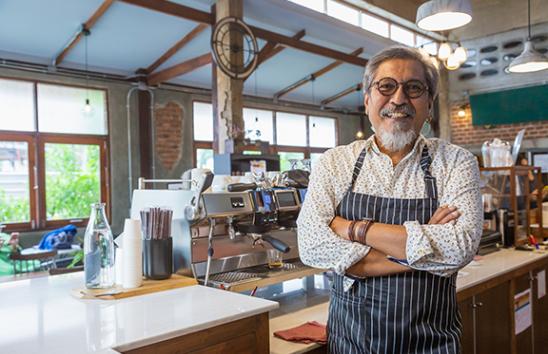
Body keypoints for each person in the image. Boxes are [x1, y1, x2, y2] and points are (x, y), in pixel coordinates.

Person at [297, 46, 483, 354]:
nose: (399, 99)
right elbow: (311, 244)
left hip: (431, 344)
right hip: (351, 343)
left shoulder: (456, 162)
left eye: (414, 88)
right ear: (367, 99)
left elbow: (460, 246)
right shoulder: (335, 163)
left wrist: (353, 230)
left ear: (429, 104)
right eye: (386, 86)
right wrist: (424, 255)